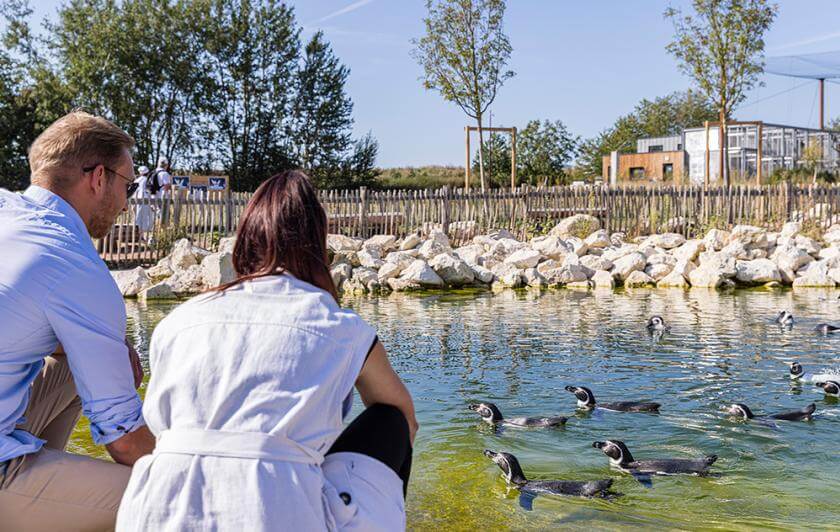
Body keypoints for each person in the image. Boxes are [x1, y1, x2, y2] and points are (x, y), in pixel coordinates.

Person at [117, 170, 418, 531]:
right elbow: (403, 417)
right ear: (317, 244)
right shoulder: (340, 326)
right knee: (389, 419)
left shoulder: (177, 321)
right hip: (269, 511)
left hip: (153, 512)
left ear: (245, 240)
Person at [0, 111, 156, 530]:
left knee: (74, 363)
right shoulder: (74, 264)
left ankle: (41, 501)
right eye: (128, 184)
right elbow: (124, 442)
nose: (126, 203)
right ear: (99, 178)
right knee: (168, 497)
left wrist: (109, 348)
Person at [132, 165, 154, 242]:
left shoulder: (136, 180)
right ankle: (144, 237)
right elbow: (150, 191)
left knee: (138, 218)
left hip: (137, 200)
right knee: (147, 218)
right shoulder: (148, 180)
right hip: (145, 200)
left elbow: (133, 192)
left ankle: (140, 236)